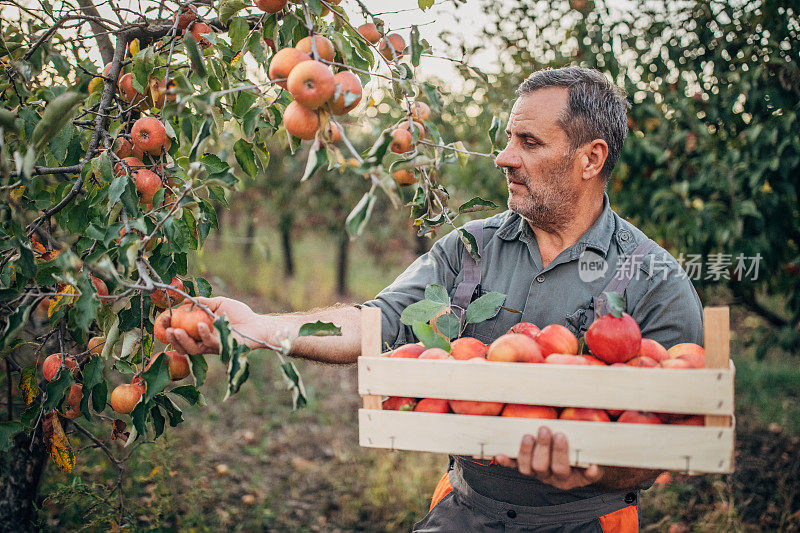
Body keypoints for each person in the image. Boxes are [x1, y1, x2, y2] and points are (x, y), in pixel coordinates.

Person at [166, 66, 703, 532]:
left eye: (529, 143)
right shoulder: (471, 249)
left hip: (588, 522)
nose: (503, 157)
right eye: (508, 138)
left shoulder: (652, 278)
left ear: (591, 159)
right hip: (468, 509)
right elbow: (378, 321)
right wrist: (260, 329)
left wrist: (596, 464)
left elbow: (669, 436)